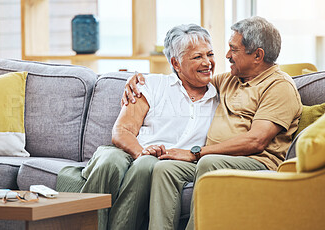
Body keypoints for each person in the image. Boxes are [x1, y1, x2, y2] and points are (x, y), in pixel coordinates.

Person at [122, 16, 302, 230]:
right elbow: (187, 75)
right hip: (218, 159)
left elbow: (256, 141)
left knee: (210, 163)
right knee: (165, 168)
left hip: (256, 162)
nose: (227, 56)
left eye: (233, 50)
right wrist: (139, 81)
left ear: (257, 55)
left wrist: (197, 153)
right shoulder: (229, 80)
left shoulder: (279, 87)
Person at [55, 23, 219, 230]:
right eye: (197, 57)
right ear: (176, 64)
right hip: (131, 150)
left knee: (147, 166)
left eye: (210, 54)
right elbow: (122, 131)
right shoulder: (152, 84)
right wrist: (142, 152)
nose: (207, 62)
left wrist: (148, 157)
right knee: (109, 161)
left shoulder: (221, 94)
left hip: (168, 162)